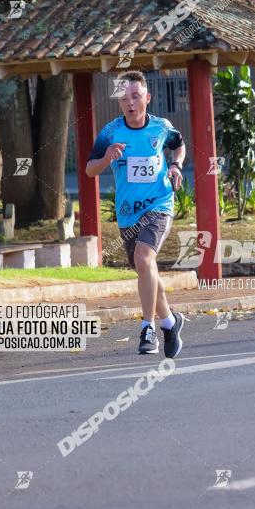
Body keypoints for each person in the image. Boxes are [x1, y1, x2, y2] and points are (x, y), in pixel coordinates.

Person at [86, 70, 187, 357]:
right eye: (124, 97)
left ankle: (148, 328)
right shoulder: (110, 132)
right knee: (146, 271)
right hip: (128, 214)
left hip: (160, 205)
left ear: (147, 98)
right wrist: (106, 158)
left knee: (144, 259)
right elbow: (89, 169)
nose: (130, 102)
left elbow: (178, 145)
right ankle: (170, 321)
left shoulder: (161, 127)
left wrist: (176, 166)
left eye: (136, 96)